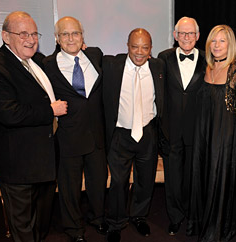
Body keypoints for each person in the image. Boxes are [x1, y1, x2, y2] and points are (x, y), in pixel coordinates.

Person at [186, 25, 236, 242]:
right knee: (201, 176)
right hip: (202, 133)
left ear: (230, 44)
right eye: (213, 41)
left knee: (216, 178)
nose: (216, 45)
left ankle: (216, 230)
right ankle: (201, 222)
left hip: (222, 136)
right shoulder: (207, 67)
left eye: (222, 41)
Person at [0, 11, 67, 242]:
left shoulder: (33, 60)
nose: (31, 39)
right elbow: (8, 113)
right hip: (17, 165)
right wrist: (50, 111)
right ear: (6, 36)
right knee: (22, 226)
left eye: (34, 33)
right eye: (23, 33)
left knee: (37, 222)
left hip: (41, 161)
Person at [42, 16, 108, 242]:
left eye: (75, 33)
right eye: (65, 34)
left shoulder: (96, 55)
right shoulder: (47, 65)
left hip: (97, 136)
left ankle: (97, 218)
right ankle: (74, 229)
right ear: (57, 38)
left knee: (98, 183)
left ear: (83, 36)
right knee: (69, 189)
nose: (71, 38)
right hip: (68, 137)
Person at [102, 28, 165, 242]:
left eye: (145, 47)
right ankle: (116, 222)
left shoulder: (158, 67)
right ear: (127, 46)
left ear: (151, 49)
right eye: (135, 46)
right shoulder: (111, 66)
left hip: (148, 132)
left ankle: (139, 216)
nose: (139, 52)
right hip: (120, 134)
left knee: (145, 179)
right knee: (118, 182)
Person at [157, 16, 206, 235]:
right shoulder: (163, 58)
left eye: (191, 33)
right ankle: (175, 216)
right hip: (171, 129)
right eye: (182, 33)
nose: (186, 38)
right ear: (175, 36)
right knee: (173, 179)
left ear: (197, 36)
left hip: (197, 131)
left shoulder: (208, 59)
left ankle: (193, 217)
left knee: (193, 177)